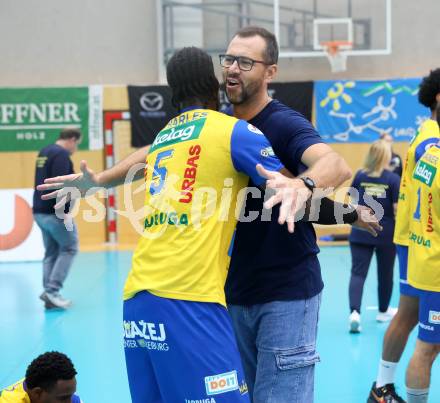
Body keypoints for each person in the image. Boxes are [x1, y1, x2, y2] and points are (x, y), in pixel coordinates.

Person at [220, 26, 352, 403]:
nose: (232, 68)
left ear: (270, 72)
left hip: (286, 296)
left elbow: (335, 164)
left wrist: (301, 186)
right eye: (228, 59)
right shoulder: (222, 127)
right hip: (232, 295)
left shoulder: (284, 123)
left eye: (245, 62)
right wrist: (100, 180)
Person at [368, 68, 440, 403]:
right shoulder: (432, 142)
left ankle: (381, 386)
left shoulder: (426, 132)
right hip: (426, 246)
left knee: (408, 315)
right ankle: (385, 388)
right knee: (427, 338)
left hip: (414, 241)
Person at [347, 140, 400, 333]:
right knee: (385, 274)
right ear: (386, 156)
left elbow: (352, 203)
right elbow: (396, 210)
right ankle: (383, 311)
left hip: (361, 230)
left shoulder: (360, 175)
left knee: (357, 273)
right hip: (385, 233)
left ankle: (354, 313)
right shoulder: (393, 179)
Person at [404, 141, 440, 403]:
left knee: (427, 346)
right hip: (437, 268)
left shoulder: (430, 156)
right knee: (426, 348)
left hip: (428, 261)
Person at [33, 129, 81, 310]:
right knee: (69, 248)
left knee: (51, 252)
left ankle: (49, 293)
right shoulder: (61, 155)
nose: (75, 148)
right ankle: (53, 291)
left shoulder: (44, 151)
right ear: (72, 139)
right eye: (77, 144)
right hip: (55, 213)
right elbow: (62, 184)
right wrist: (64, 212)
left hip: (39, 211)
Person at [0, 351, 82, 403]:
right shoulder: (10, 401)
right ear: (37, 393)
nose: (70, 402)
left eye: (71, 394)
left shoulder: (64, 394)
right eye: (63, 398)